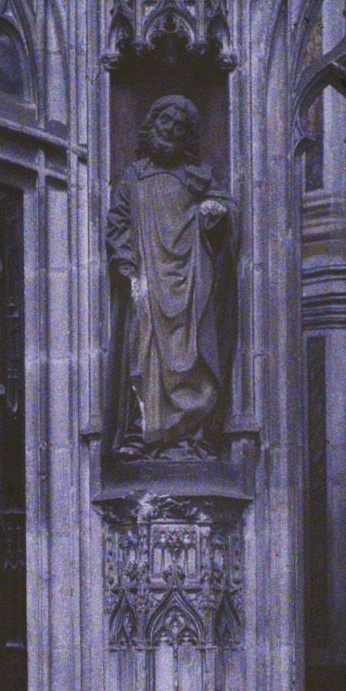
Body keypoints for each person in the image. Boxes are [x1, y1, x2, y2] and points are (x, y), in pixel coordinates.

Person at [105, 95, 237, 459]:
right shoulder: (134, 178)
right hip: (148, 279)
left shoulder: (197, 177)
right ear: (152, 124)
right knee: (144, 353)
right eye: (166, 122)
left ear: (188, 137)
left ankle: (191, 434)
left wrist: (215, 213)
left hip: (191, 280)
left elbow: (227, 210)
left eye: (180, 127)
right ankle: (143, 432)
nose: (171, 131)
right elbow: (118, 224)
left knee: (190, 352)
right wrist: (126, 264)